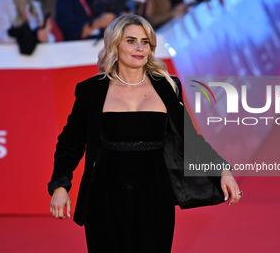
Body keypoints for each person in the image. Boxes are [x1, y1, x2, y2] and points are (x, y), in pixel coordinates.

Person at [48, 14, 242, 252]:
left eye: (145, 42)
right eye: (131, 40)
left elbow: (190, 140)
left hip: (155, 192)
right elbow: (70, 143)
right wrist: (60, 186)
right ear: (114, 43)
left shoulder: (167, 86)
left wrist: (222, 170)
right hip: (105, 193)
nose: (140, 48)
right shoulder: (91, 90)